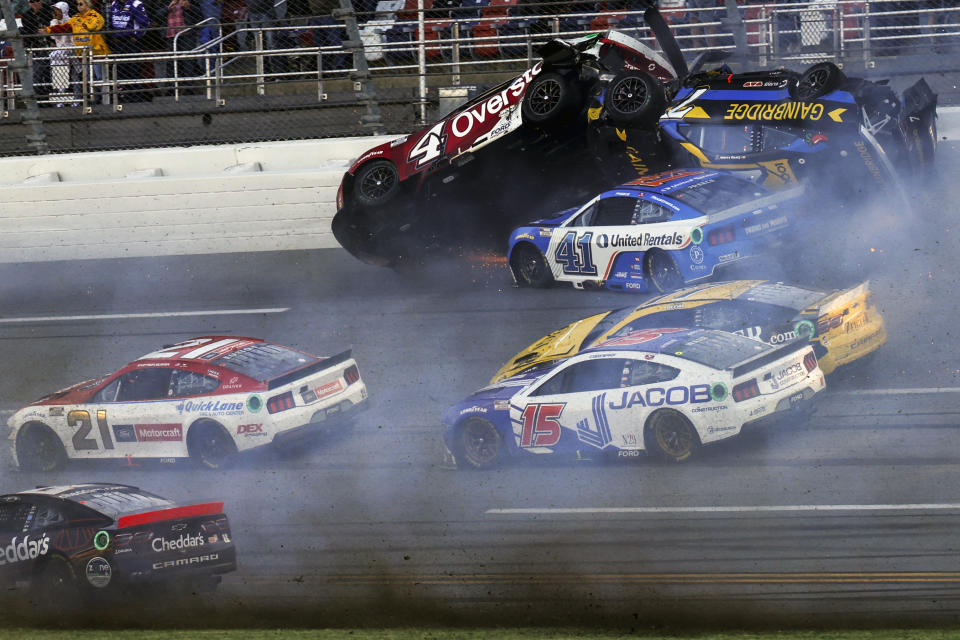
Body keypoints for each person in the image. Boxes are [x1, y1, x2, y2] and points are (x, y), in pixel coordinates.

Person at [43, 0, 111, 103]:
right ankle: (95, 101)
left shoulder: (96, 16)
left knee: (99, 77)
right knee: (89, 78)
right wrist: (48, 30)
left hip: (97, 51)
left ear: (88, 5)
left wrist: (84, 24)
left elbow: (94, 26)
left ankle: (105, 101)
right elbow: (64, 28)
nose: (78, 6)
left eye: (81, 4)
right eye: (77, 4)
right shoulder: (76, 18)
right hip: (83, 53)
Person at [109, 0, 151, 101]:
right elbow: (111, 21)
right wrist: (113, 35)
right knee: (120, 70)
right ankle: (123, 96)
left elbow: (145, 23)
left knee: (133, 70)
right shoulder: (114, 3)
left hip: (131, 41)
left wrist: (137, 36)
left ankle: (135, 98)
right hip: (119, 43)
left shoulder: (136, 4)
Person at [162, 0, 202, 90]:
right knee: (172, 61)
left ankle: (189, 87)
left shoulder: (190, 1)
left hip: (187, 35)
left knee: (188, 60)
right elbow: (157, 14)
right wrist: (167, 8)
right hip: (170, 35)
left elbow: (200, 13)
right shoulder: (165, 2)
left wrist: (189, 7)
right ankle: (173, 87)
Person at [19, 0, 54, 101]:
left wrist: (49, 38)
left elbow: (50, 26)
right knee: (37, 74)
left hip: (49, 46)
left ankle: (48, 98)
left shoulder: (47, 11)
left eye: (36, 1)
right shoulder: (27, 15)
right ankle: (38, 99)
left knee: (49, 74)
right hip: (35, 46)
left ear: (41, 2)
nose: (34, 3)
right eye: (31, 1)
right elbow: (29, 30)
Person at [48, 1, 76, 106]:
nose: (55, 12)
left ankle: (76, 99)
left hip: (72, 49)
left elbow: (71, 39)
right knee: (59, 69)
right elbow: (53, 37)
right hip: (60, 51)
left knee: (75, 76)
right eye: (54, 10)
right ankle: (61, 98)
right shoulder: (53, 22)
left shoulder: (71, 21)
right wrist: (56, 21)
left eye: (57, 10)